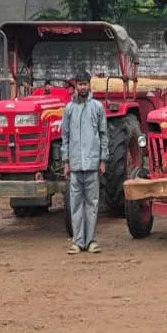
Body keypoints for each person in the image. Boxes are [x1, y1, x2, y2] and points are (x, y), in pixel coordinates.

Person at [61, 71, 108, 255]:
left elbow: (103, 135)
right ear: (76, 86)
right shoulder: (69, 109)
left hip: (92, 164)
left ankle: (91, 241)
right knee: (76, 205)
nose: (82, 87)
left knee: (92, 204)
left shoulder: (97, 108)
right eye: (79, 84)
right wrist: (66, 162)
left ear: (89, 85)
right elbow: (65, 137)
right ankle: (78, 241)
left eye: (85, 84)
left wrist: (102, 160)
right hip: (75, 165)